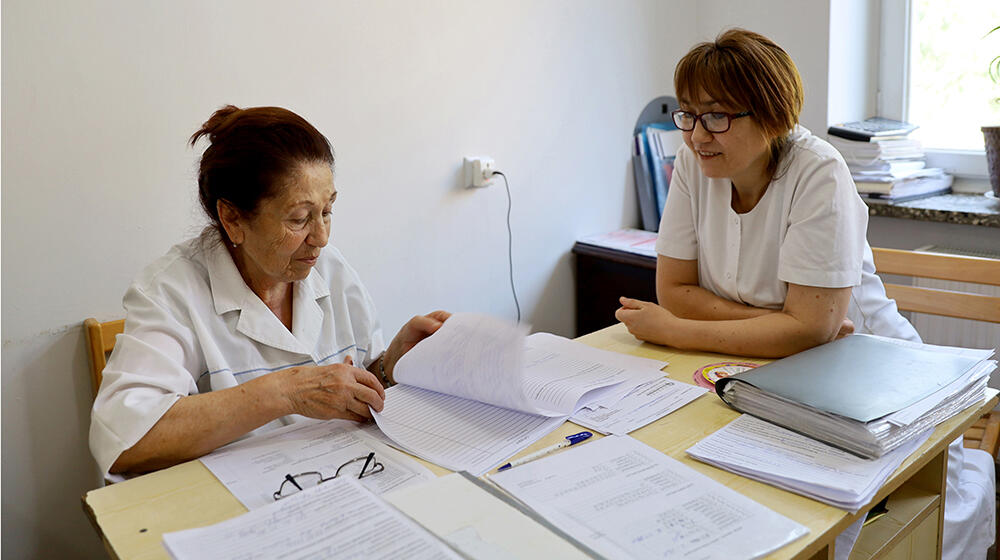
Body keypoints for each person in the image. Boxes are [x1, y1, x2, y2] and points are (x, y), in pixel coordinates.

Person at [616, 29, 993, 560]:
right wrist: (782, 324)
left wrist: (679, 331)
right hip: (763, 369)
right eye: (688, 115)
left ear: (772, 115)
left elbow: (809, 330)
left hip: (875, 381)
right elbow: (674, 290)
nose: (698, 135)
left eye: (718, 115)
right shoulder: (698, 169)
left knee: (812, 520)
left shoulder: (818, 171)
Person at [90, 105, 449, 477]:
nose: (321, 238)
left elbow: (352, 385)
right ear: (232, 219)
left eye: (327, 211)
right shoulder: (171, 291)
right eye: (299, 218)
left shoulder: (330, 268)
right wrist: (286, 392)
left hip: (339, 479)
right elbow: (124, 442)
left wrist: (390, 366)